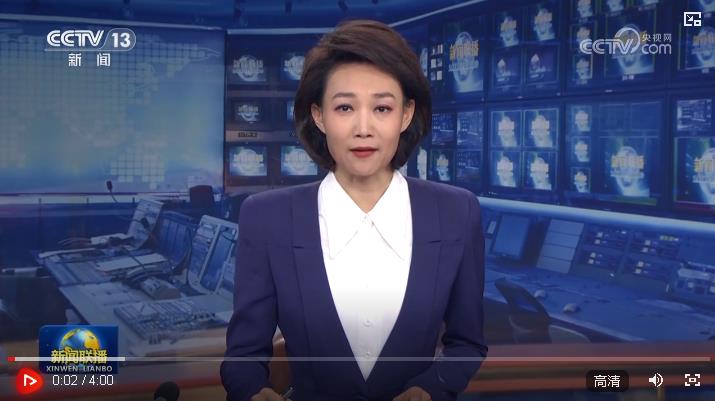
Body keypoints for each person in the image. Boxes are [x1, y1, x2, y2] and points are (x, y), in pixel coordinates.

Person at [221, 20, 488, 401]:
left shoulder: (457, 212)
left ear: (406, 114)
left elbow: (467, 344)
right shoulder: (267, 218)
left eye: (382, 108)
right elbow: (243, 358)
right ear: (319, 116)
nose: (364, 128)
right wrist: (252, 391)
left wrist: (431, 389)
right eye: (345, 107)